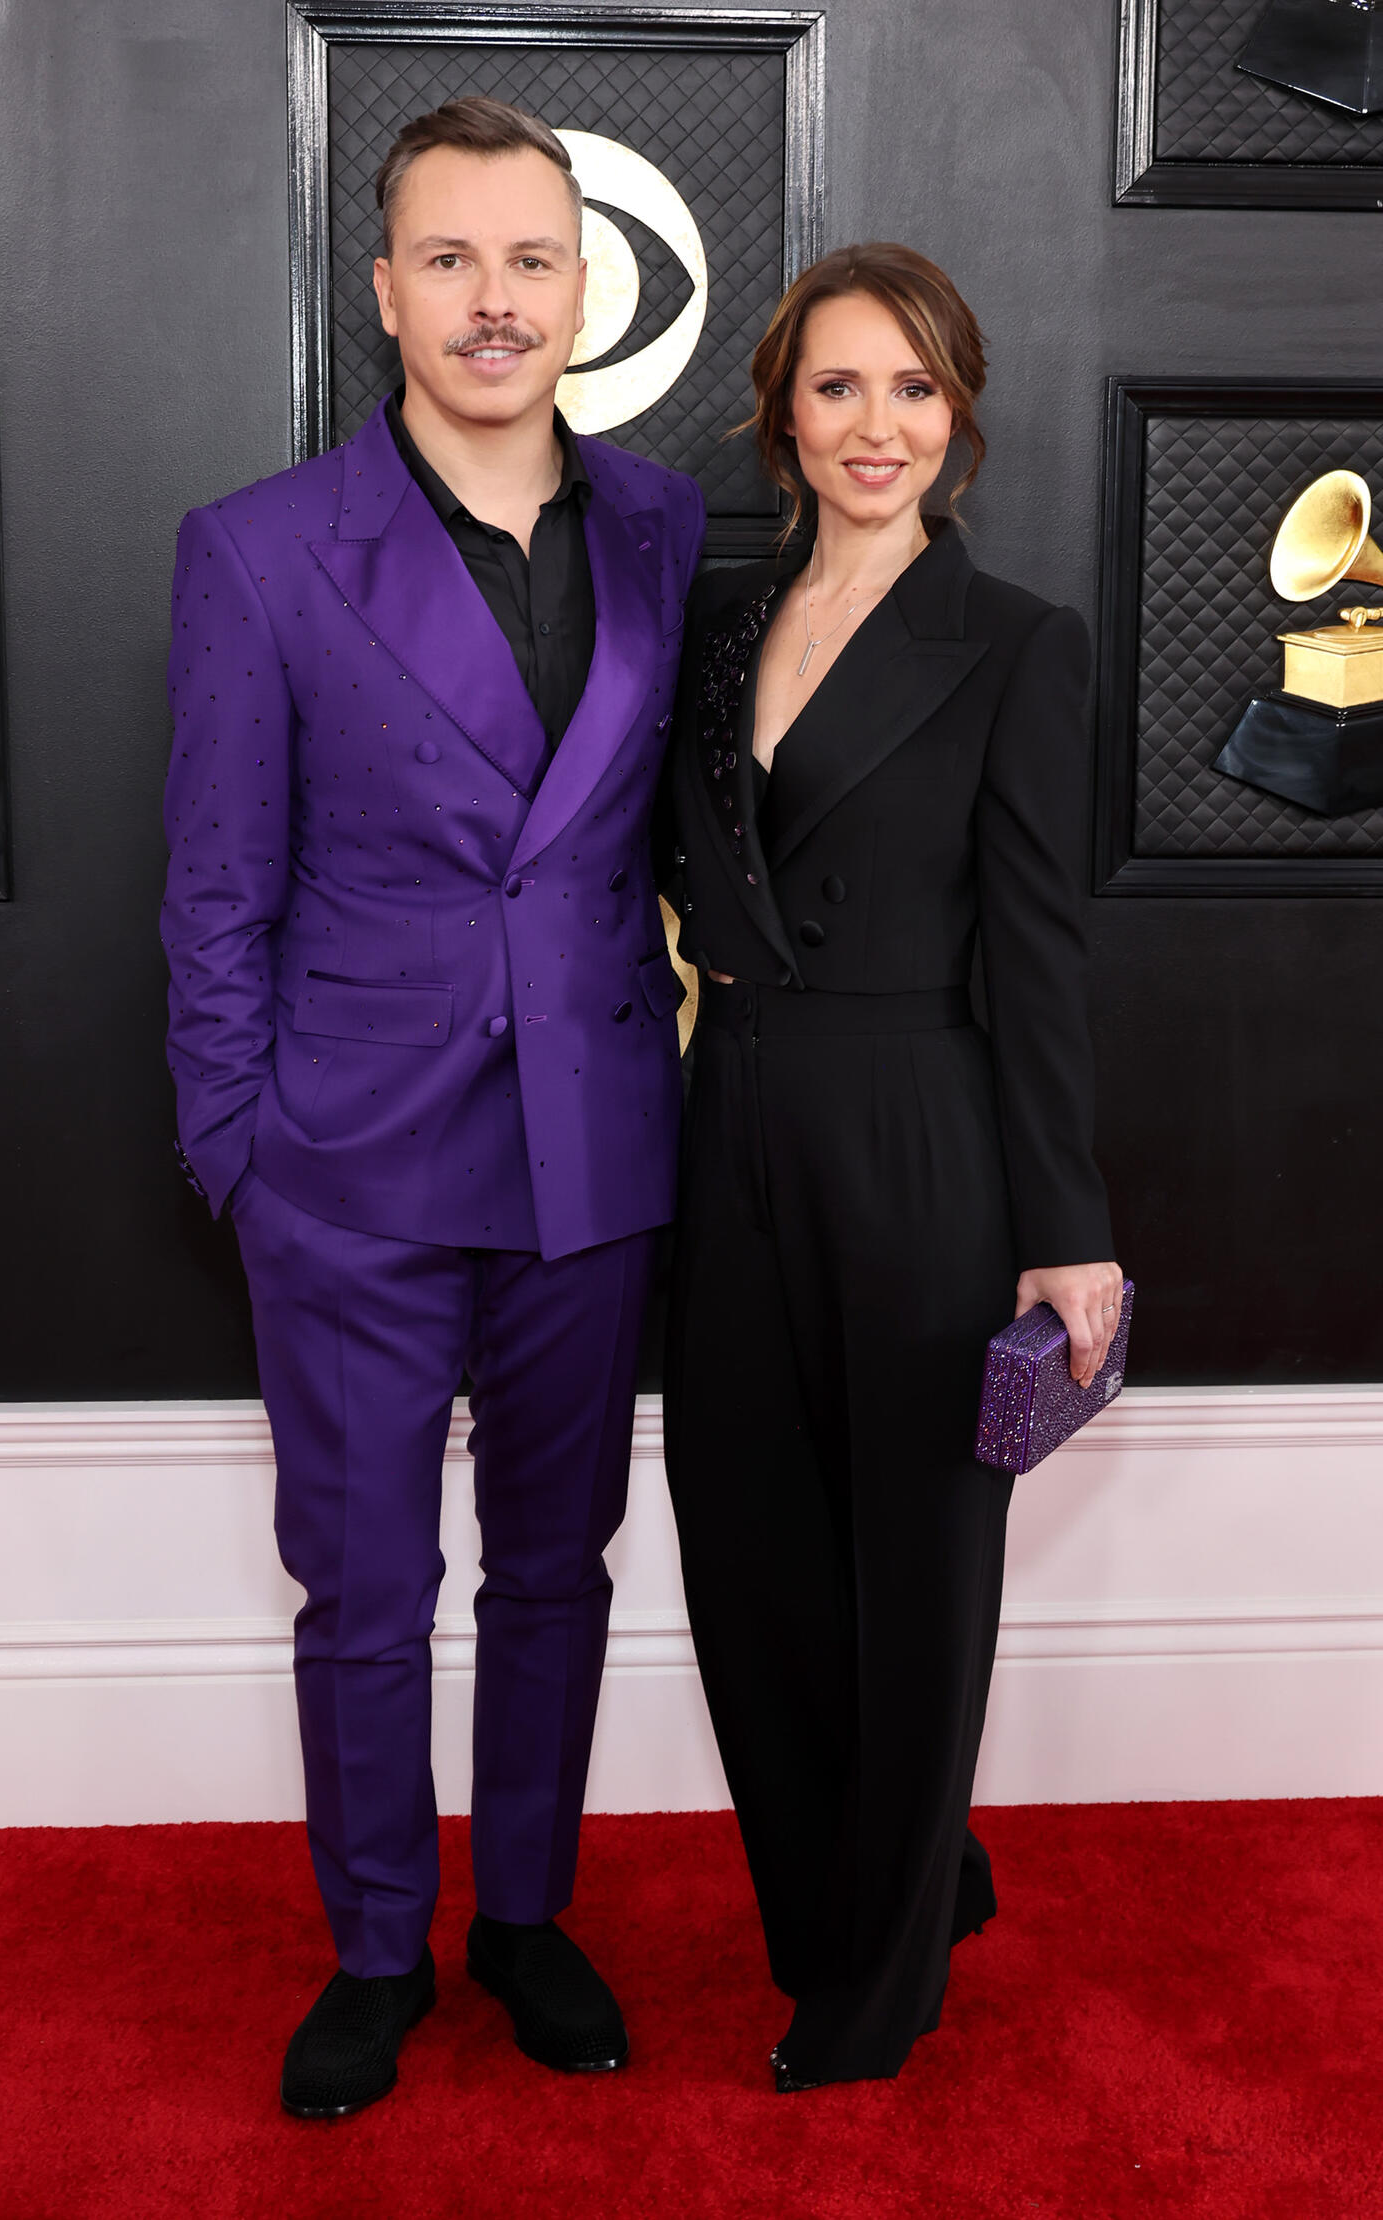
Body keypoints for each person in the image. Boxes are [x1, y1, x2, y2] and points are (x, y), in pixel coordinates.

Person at [161, 96, 704, 2118]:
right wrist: (247, 1154)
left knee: (555, 1564)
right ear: (381, 291)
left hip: (591, 1149)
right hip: (348, 1165)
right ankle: (380, 1942)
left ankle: (530, 1915)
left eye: (531, 259)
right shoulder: (262, 547)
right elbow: (216, 886)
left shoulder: (654, 525)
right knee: (367, 1582)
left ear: (583, 288)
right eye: (452, 259)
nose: (495, 299)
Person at [658, 243, 1123, 2091]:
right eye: (842, 387)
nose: (879, 427)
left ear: (961, 413)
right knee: (754, 1560)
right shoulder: (713, 629)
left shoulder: (1012, 640)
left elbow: (1039, 953)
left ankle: (883, 1983)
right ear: (783, 409)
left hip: (925, 1134)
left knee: (919, 1571)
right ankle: (850, 1902)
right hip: (733, 1134)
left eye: (915, 389)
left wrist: (1067, 1230)